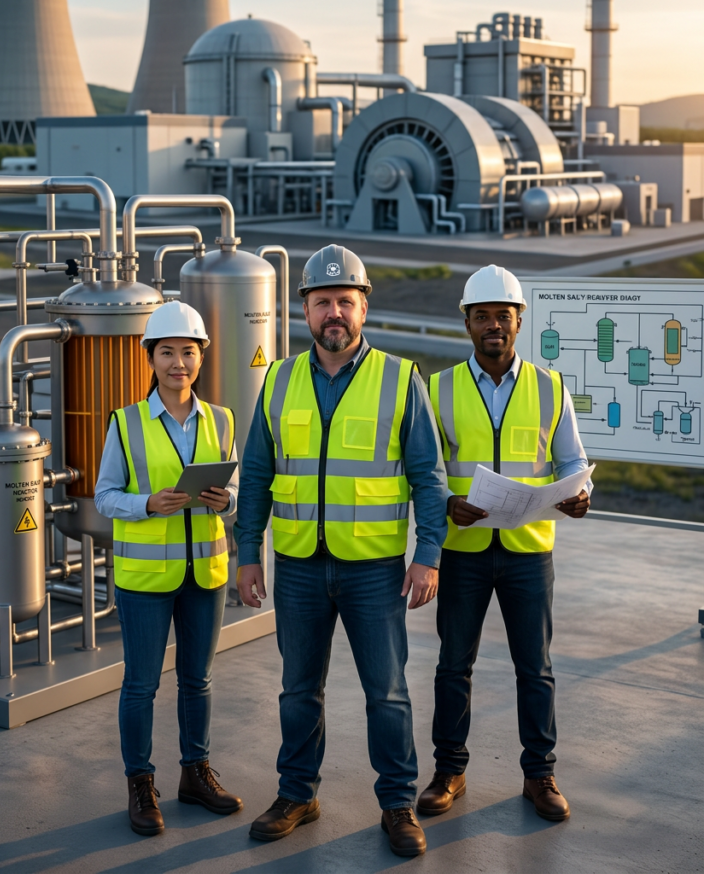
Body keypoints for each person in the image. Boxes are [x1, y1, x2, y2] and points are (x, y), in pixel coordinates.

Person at [233, 244, 448, 859]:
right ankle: (297, 793)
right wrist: (249, 551)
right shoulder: (277, 379)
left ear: (362, 308)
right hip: (298, 564)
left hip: (375, 570)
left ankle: (398, 805)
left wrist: (427, 552)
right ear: (304, 309)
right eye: (322, 301)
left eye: (345, 302)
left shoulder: (401, 378)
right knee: (298, 690)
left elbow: (428, 478)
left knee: (386, 692)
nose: (334, 313)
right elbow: (256, 474)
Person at [417, 265, 591, 823]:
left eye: (503, 316)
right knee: (452, 666)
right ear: (467, 322)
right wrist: (445, 500)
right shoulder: (439, 388)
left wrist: (579, 490)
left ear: (519, 321)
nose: (494, 325)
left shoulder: (550, 386)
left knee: (534, 668)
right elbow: (428, 468)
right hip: (463, 550)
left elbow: (570, 461)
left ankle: (540, 776)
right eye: (483, 316)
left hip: (528, 550)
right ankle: (450, 772)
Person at [94, 300, 242, 837]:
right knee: (140, 686)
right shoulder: (125, 423)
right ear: (150, 358)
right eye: (167, 353)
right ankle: (141, 783)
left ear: (200, 357)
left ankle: (195, 774)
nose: (178, 362)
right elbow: (104, 495)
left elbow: (239, 491)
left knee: (197, 681)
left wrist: (224, 501)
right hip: (146, 581)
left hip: (205, 574)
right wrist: (146, 505)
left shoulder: (222, 419)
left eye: (188, 352)